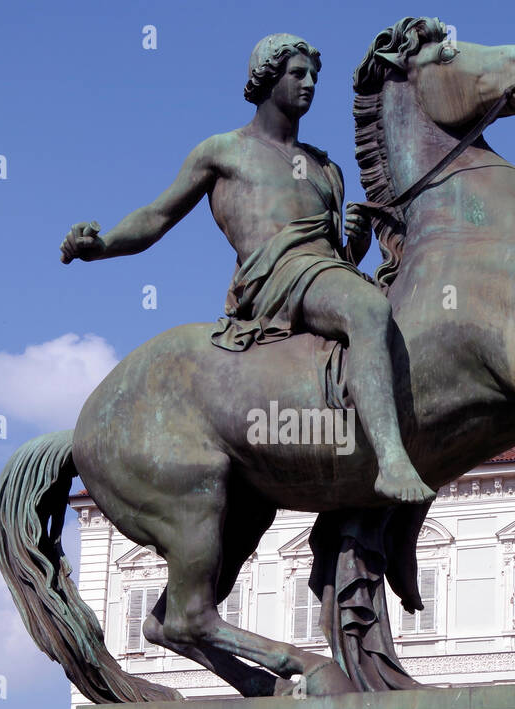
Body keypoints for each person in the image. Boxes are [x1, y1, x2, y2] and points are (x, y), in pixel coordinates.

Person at [59, 33, 433, 503]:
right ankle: (392, 461)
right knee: (369, 311)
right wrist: (103, 244)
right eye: (298, 73)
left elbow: (337, 258)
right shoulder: (223, 151)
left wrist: (353, 242)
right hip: (275, 278)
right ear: (266, 77)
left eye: (315, 75)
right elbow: (156, 217)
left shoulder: (325, 167)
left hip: (321, 275)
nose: (310, 83)